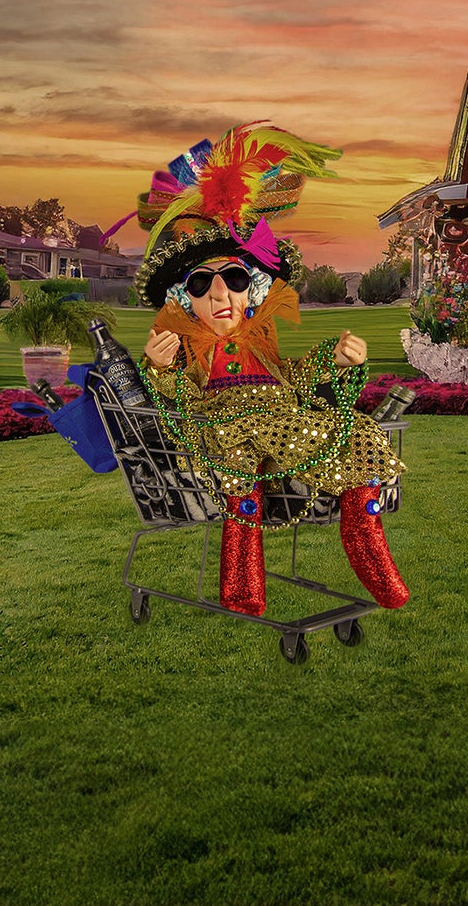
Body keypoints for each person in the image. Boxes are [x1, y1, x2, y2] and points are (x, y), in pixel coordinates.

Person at [131, 123, 409, 618]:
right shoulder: (187, 348)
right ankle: (242, 588)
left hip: (285, 422)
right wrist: (157, 366)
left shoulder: (260, 342)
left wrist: (334, 359)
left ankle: (376, 563)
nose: (220, 294)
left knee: (360, 437)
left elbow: (291, 377)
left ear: (253, 290)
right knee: (239, 469)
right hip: (226, 427)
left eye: (234, 278)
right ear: (184, 298)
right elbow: (178, 402)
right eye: (201, 284)